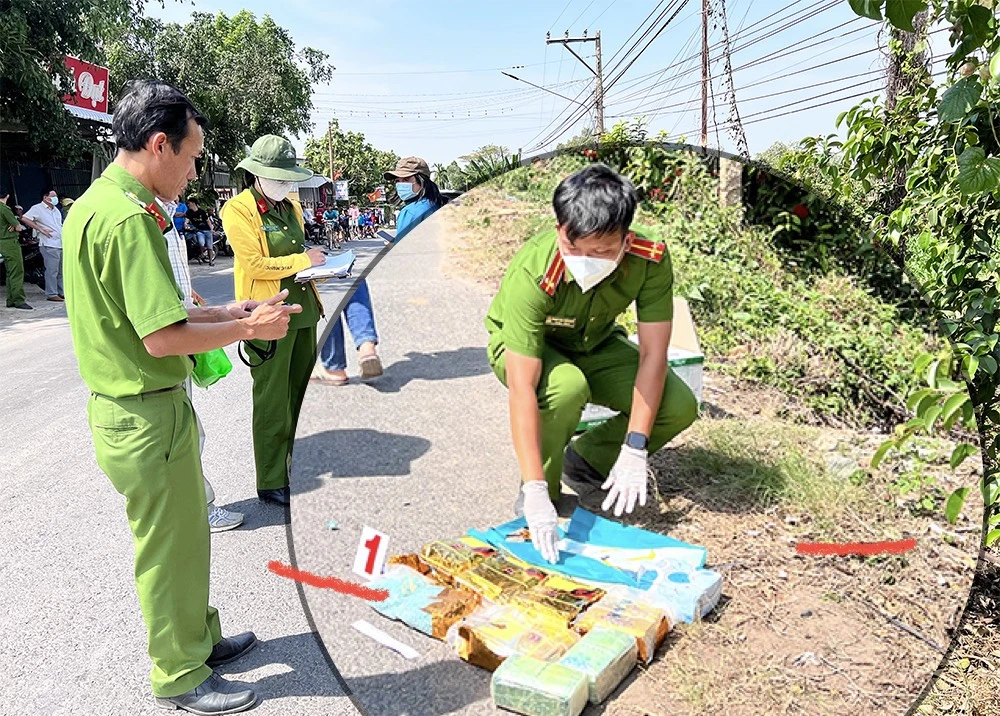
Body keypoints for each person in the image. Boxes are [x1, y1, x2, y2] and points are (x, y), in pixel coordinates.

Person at [63, 79, 300, 714]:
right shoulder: (128, 218)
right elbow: (165, 337)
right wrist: (248, 328)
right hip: (144, 412)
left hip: (141, 411)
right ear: (160, 145)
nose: (195, 172)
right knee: (169, 550)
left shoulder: (99, 205)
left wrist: (229, 309)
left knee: (189, 535)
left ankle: (199, 638)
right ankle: (179, 673)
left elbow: (157, 313)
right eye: (193, 157)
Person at [484, 163, 698, 565]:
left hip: (596, 344)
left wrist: (635, 447)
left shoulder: (649, 259)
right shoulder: (534, 270)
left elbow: (653, 354)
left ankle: (586, 462)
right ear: (560, 227)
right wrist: (532, 487)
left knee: (678, 405)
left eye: (601, 251)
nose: (584, 260)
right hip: (530, 349)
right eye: (573, 247)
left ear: (625, 239)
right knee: (566, 388)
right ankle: (544, 491)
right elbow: (523, 386)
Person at [221, 135, 326, 507]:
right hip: (266, 314)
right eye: (279, 177)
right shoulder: (238, 210)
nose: (286, 184)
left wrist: (317, 266)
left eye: (289, 178)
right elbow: (254, 264)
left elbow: (299, 253)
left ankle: (296, 467)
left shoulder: (291, 208)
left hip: (303, 312)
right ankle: (270, 480)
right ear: (258, 175)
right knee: (271, 399)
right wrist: (303, 262)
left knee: (301, 395)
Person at [160, 192, 245, 532]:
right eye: (190, 159)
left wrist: (191, 296)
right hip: (167, 340)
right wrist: (240, 326)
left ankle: (193, 506)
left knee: (188, 432)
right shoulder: (140, 218)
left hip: (180, 317)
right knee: (184, 436)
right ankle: (198, 508)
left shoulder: (166, 214)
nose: (192, 175)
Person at [384, 156, 448, 246]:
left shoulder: (410, 212)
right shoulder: (434, 205)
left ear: (422, 181)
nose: (401, 184)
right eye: (398, 180)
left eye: (406, 179)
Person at [20, 187, 64, 301]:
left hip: (59, 243)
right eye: (53, 196)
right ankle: (52, 293)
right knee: (51, 270)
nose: (55, 199)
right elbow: (25, 218)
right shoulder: (37, 208)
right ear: (45, 197)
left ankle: (61, 291)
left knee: (60, 270)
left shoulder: (56, 210)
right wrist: (40, 229)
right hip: (49, 243)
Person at [0, 186, 31, 309]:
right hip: (9, 242)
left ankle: (11, 300)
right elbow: (18, 227)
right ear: (7, 196)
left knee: (9, 272)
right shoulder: (4, 209)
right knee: (16, 272)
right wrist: (15, 223)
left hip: (2, 243)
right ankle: (18, 300)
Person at [186, 198, 214, 262]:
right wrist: (186, 224)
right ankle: (202, 254)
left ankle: (211, 261)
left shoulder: (202, 212)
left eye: (189, 203)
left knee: (210, 246)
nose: (188, 205)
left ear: (193, 203)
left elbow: (208, 221)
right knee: (201, 242)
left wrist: (211, 229)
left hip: (207, 230)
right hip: (199, 230)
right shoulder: (189, 212)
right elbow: (186, 220)